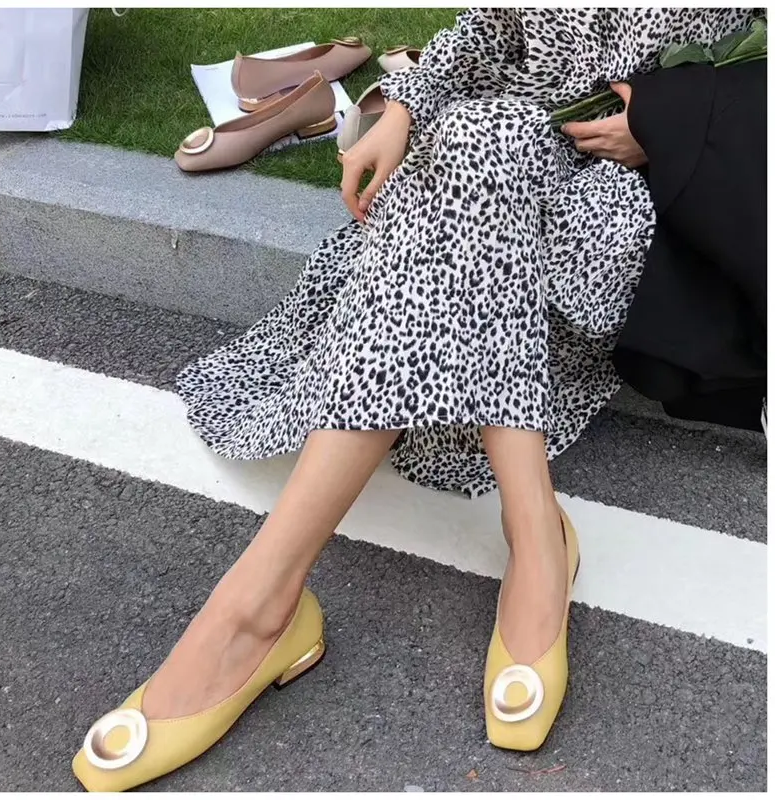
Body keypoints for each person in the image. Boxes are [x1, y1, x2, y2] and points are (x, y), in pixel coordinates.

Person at [71, 8, 758, 792]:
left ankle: (262, 612)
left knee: (469, 160)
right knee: (475, 137)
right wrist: (402, 108)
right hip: (507, 144)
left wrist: (670, 123)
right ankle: (526, 535)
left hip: (637, 182)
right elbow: (494, 27)